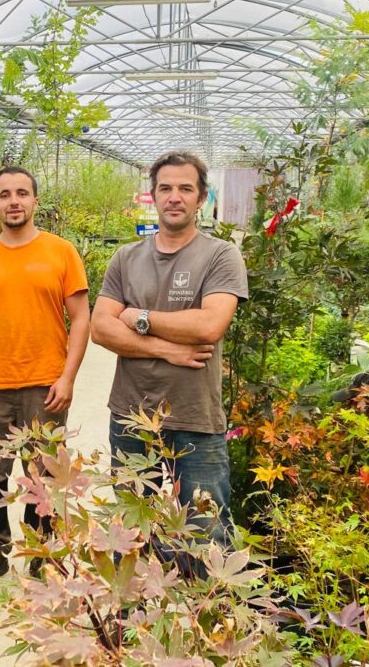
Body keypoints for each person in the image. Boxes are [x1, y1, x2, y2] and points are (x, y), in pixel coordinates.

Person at [90, 151, 248, 546]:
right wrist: (168, 350)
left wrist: (138, 316)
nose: (174, 196)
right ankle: (133, 607)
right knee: (131, 531)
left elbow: (209, 324)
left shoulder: (220, 255)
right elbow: (100, 328)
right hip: (130, 415)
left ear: (201, 199)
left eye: (185, 188)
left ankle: (205, 608)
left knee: (206, 534)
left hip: (195, 418)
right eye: (165, 188)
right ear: (154, 195)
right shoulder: (126, 258)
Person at [0, 165, 90, 593]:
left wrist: (68, 377)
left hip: (45, 386)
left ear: (35, 200)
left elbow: (81, 317)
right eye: (4, 194)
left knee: (43, 474)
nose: (13, 201)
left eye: (22, 193)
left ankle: (41, 552)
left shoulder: (61, 252)